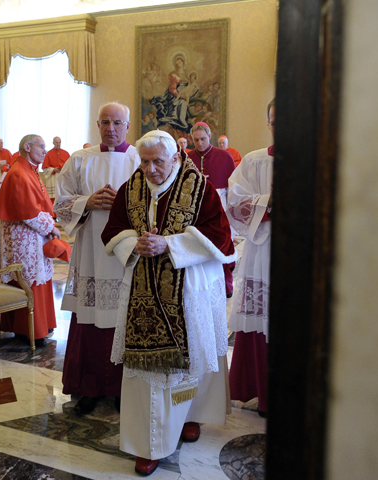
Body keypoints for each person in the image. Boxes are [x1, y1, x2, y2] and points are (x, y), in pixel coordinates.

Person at [102, 130, 237, 476]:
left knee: (196, 357)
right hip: (143, 292)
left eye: (157, 162)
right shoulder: (131, 187)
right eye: (144, 161)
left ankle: (193, 416)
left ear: (175, 158)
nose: (149, 169)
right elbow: (114, 227)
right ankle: (149, 443)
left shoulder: (200, 187)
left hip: (190, 287)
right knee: (148, 375)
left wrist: (171, 246)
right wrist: (132, 243)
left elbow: (220, 235)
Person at [54, 102, 141, 415]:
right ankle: (89, 387)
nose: (111, 128)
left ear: (128, 125)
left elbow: (155, 205)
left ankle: (122, 389)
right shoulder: (80, 159)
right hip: (91, 252)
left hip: (126, 256)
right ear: (97, 124)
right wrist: (86, 202)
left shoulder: (139, 159)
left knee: (123, 320)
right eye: (105, 122)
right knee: (91, 322)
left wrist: (126, 205)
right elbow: (60, 205)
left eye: (118, 122)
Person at [226, 98, 275, 418]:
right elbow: (235, 201)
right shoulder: (256, 161)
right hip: (263, 248)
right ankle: (263, 392)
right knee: (260, 319)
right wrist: (270, 202)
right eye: (275, 119)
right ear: (269, 122)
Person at [0, 135, 59, 347]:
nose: (45, 150)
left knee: (36, 276)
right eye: (41, 146)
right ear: (27, 147)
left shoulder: (29, 168)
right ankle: (29, 329)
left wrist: (49, 226)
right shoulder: (19, 172)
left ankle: (41, 325)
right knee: (28, 278)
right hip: (24, 236)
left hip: (32, 234)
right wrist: (51, 228)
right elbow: (29, 212)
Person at [188, 121, 237, 296]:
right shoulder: (187, 158)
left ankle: (226, 283)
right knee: (199, 243)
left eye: (203, 139)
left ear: (210, 137)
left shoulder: (224, 157)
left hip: (220, 202)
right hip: (195, 206)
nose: (199, 143)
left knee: (221, 243)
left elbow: (233, 186)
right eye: (195, 140)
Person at [42, 136, 70, 204]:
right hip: (53, 178)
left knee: (63, 196)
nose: (58, 144)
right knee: (54, 198)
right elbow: (45, 168)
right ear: (53, 143)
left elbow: (70, 166)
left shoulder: (66, 153)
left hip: (63, 177)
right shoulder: (48, 153)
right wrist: (53, 170)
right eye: (56, 142)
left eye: (59, 142)